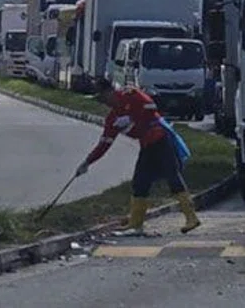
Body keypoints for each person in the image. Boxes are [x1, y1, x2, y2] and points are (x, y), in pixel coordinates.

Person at [75, 79, 200, 236]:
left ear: (110, 91)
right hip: (147, 145)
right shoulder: (112, 119)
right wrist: (87, 162)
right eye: (100, 100)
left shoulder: (130, 94)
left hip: (160, 138)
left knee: (172, 175)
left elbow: (151, 106)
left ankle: (191, 217)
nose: (104, 102)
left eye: (103, 97)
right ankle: (135, 223)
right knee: (140, 182)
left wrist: (132, 118)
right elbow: (105, 143)